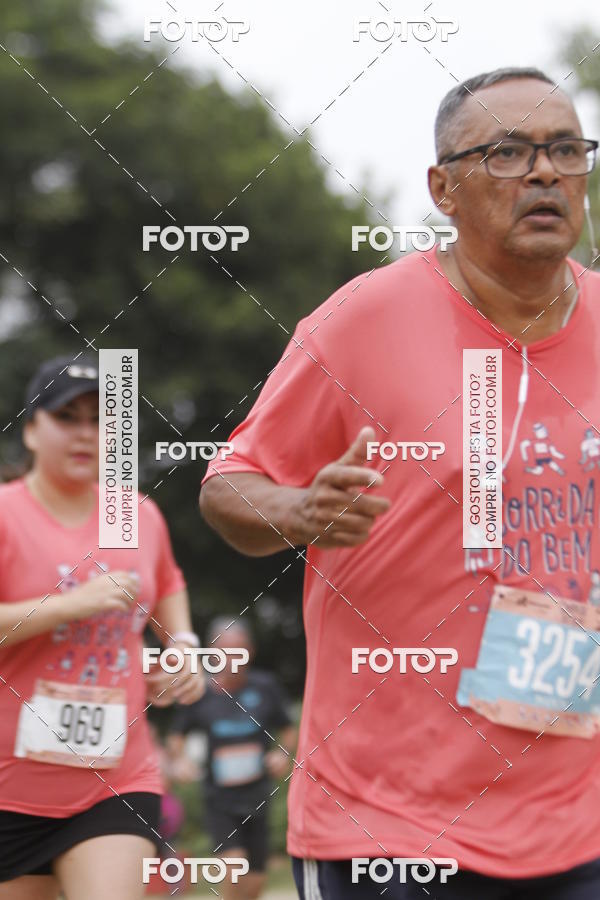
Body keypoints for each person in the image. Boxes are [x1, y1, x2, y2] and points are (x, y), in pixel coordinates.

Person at [199, 68, 600, 898]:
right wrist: (299, 508)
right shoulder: (363, 320)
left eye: (566, 149)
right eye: (509, 153)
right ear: (442, 189)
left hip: (578, 817)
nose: (545, 173)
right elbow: (227, 486)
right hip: (387, 819)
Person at [0, 355, 204, 900]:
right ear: (31, 430)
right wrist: (70, 604)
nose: (85, 434)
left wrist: (181, 646)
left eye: (101, 420)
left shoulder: (136, 514)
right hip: (9, 790)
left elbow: (168, 582)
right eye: (67, 417)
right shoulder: (5, 514)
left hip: (116, 781)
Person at [167, 618, 297, 899]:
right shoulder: (199, 693)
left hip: (258, 795)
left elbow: (288, 729)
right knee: (234, 865)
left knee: (255, 882)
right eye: (225, 652)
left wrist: (282, 754)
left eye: (239, 651)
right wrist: (179, 761)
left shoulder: (266, 687)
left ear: (250, 650)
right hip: (220, 799)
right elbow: (176, 737)